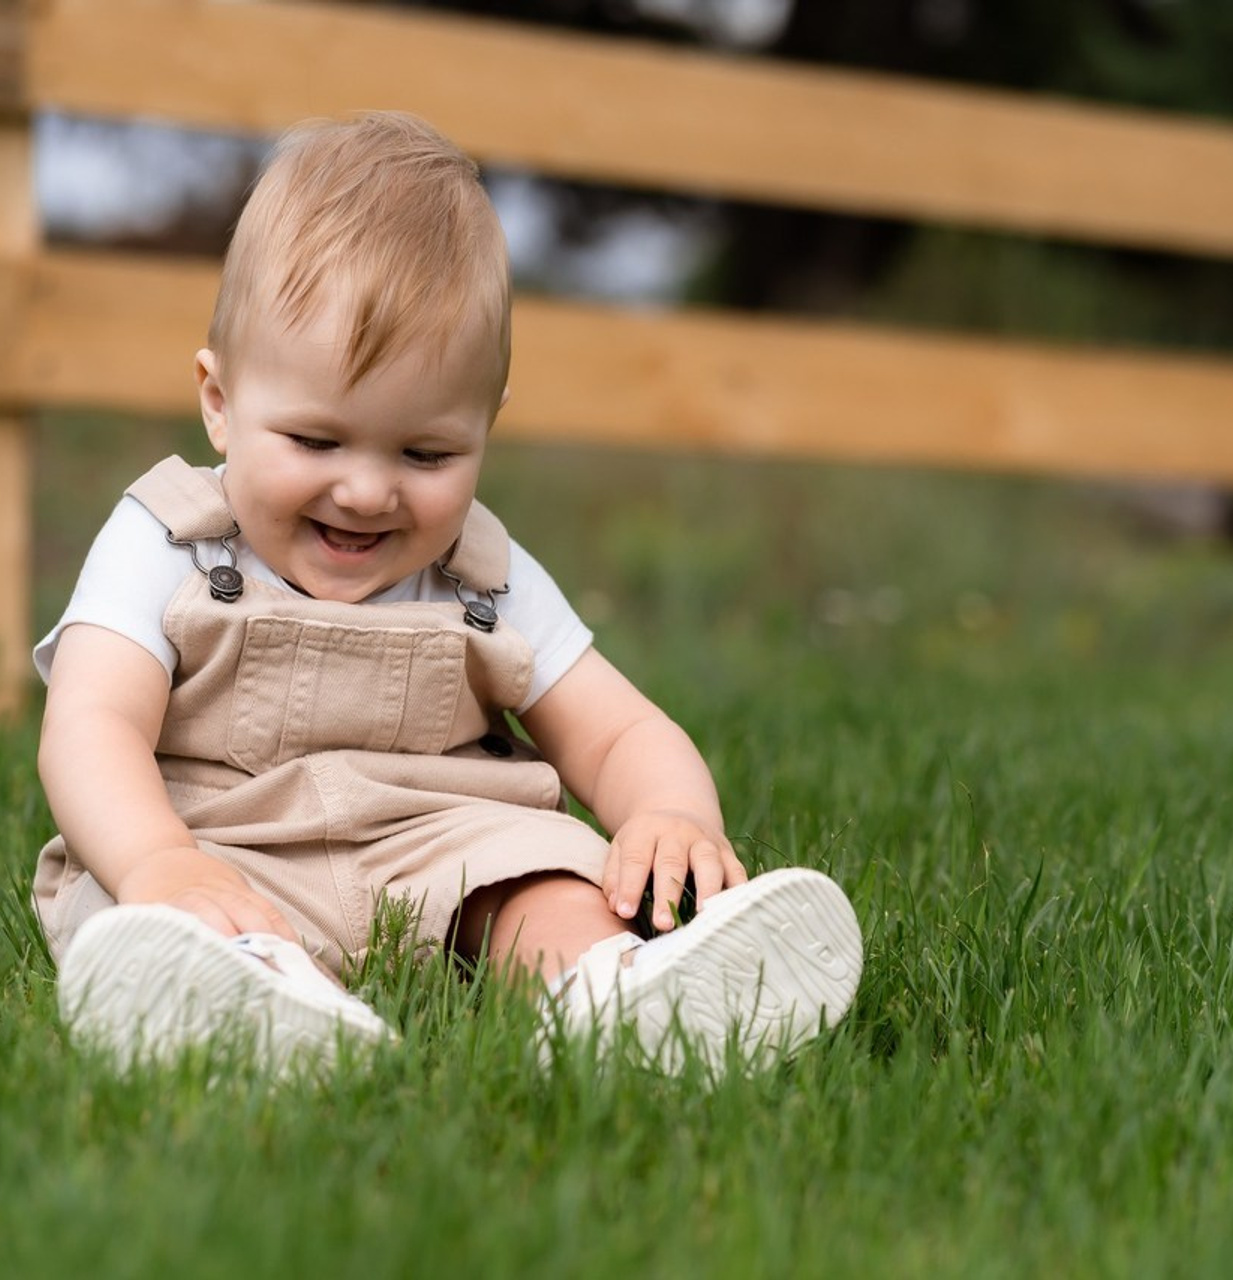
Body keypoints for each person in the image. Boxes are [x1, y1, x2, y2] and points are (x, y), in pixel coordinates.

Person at [33, 111, 862, 1074]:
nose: (368, 490)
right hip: (221, 839)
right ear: (220, 402)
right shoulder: (166, 540)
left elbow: (616, 729)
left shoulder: (482, 573)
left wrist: (672, 813)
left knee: (546, 881)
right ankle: (255, 997)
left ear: (485, 428)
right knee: (173, 916)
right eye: (315, 441)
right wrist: (154, 862)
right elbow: (93, 726)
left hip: (437, 844)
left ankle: (616, 991)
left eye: (426, 453)